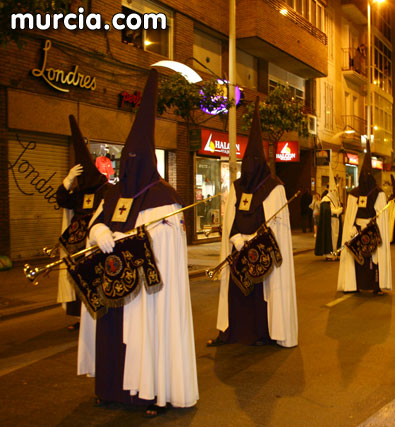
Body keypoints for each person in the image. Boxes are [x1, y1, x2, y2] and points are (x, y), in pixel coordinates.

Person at [79, 70, 198, 416]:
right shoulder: (113, 192)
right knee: (110, 336)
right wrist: (98, 233)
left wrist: (126, 240)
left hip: (145, 296)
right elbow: (96, 223)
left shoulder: (165, 196)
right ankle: (109, 388)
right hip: (110, 286)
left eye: (136, 160)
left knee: (143, 339)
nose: (129, 166)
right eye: (124, 159)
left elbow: (166, 246)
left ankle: (150, 391)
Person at [209, 100, 298, 348]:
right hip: (239, 252)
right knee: (237, 293)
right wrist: (236, 238)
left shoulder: (274, 187)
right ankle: (235, 331)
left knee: (260, 294)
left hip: (262, 254)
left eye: (254, 161)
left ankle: (264, 333)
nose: (249, 167)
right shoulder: (238, 186)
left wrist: (255, 240)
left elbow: (277, 227)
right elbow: (231, 219)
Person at [56, 115, 112, 331]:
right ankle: (81, 318)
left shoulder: (105, 190)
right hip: (77, 246)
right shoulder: (80, 192)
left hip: (95, 245)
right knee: (79, 282)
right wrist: (67, 181)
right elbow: (64, 200)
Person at [337, 140, 392, 295]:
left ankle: (376, 285)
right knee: (358, 259)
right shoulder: (355, 193)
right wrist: (352, 228)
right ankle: (355, 284)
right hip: (358, 232)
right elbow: (350, 217)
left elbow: (380, 216)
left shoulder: (377, 194)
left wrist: (374, 230)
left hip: (372, 232)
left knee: (373, 261)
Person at [315, 167, 343, 261]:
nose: (334, 192)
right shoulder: (325, 199)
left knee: (336, 237)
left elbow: (340, 206)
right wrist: (336, 211)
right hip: (329, 222)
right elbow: (326, 210)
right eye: (333, 190)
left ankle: (336, 252)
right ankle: (329, 254)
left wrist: (340, 209)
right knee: (330, 237)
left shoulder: (337, 199)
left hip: (337, 221)